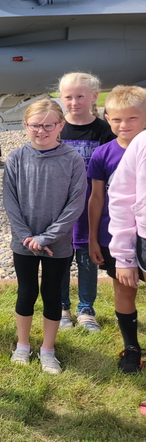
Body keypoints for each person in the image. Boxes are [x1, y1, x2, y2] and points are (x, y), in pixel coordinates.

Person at [3, 99, 87, 375]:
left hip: (57, 245)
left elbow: (75, 203)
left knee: (52, 295)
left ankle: (48, 349)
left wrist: (47, 237)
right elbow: (10, 201)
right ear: (25, 125)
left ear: (60, 125)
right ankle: (23, 345)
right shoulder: (16, 158)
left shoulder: (72, 159)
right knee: (26, 292)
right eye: (35, 125)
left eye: (48, 125)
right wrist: (27, 236)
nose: (41, 131)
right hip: (24, 243)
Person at [87, 86, 146, 375]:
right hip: (118, 235)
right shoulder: (103, 154)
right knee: (124, 290)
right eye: (117, 120)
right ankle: (131, 347)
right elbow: (98, 198)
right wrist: (94, 239)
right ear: (107, 118)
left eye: (132, 119)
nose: (124, 126)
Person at [57, 72, 115, 331]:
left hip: (91, 204)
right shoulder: (56, 126)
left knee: (87, 258)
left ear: (93, 96)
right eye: (68, 97)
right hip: (60, 206)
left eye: (80, 96)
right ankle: (61, 307)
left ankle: (86, 309)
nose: (74, 102)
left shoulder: (104, 130)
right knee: (60, 258)